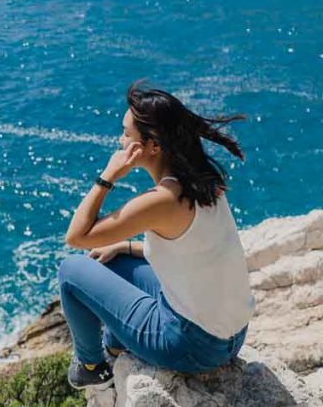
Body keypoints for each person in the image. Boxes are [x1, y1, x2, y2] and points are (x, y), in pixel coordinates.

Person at [57, 79, 255, 390]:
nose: (121, 142)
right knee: (110, 260)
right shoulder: (203, 180)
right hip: (232, 335)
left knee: (71, 271)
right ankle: (116, 343)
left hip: (191, 346)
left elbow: (77, 235)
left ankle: (91, 367)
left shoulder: (161, 200)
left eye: (126, 134)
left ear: (153, 145)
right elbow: (191, 249)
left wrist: (108, 176)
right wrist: (125, 246)